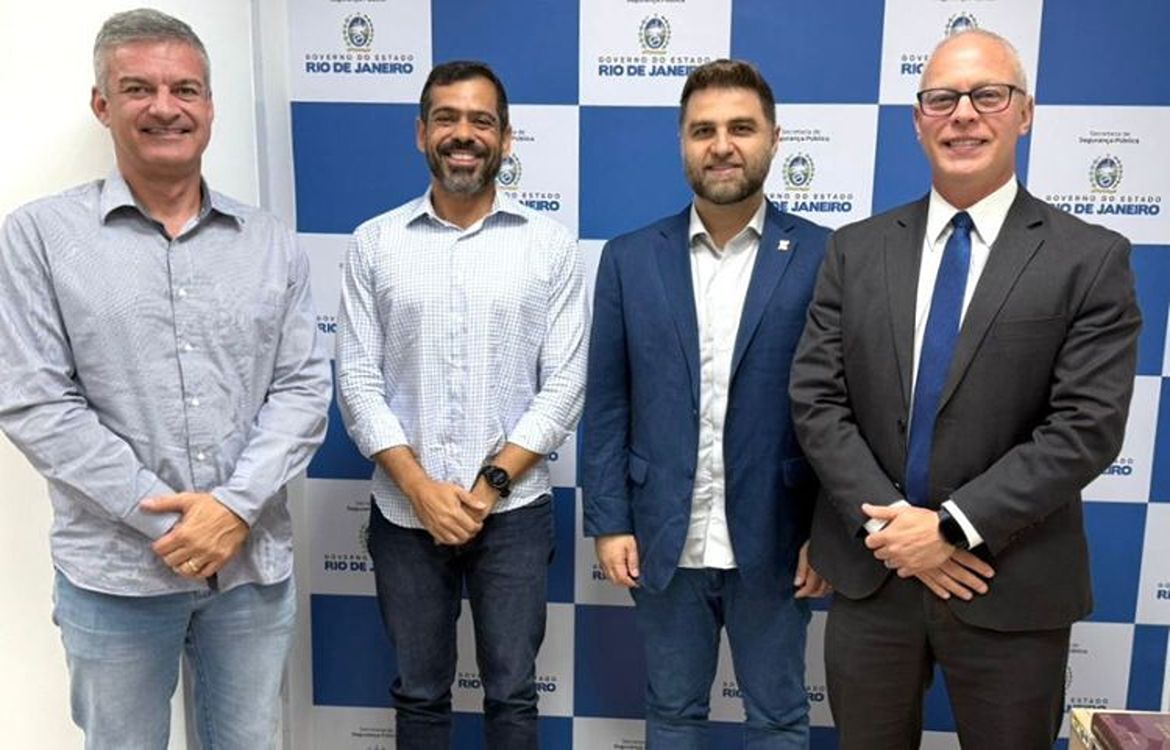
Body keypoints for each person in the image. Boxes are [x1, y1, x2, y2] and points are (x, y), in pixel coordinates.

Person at [789, 29, 1141, 749]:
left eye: (988, 95)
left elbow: (1086, 427)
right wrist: (896, 531)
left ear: (1025, 113)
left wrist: (948, 528)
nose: (964, 115)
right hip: (874, 573)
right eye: (942, 99)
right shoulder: (854, 249)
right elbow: (817, 400)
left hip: (1009, 581)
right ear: (918, 120)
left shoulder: (1089, 258)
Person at [0, 9, 332, 749]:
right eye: (138, 89)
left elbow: (303, 390)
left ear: (209, 105)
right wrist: (175, 527)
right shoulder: (38, 237)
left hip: (248, 572)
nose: (164, 107)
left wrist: (233, 510)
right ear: (102, 104)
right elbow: (35, 401)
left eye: (185, 89)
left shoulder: (270, 243)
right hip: (115, 577)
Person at [335, 60, 588, 749]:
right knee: (419, 695)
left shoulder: (548, 244)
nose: (464, 134)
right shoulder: (375, 242)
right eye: (447, 118)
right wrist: (420, 490)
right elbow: (356, 380)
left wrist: (486, 488)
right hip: (404, 513)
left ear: (505, 138)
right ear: (422, 133)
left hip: (513, 513)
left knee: (512, 695)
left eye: (482, 121)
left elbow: (565, 383)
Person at [583, 59, 830, 749]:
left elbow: (842, 411)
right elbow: (607, 403)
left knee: (779, 717)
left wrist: (829, 531)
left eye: (741, 128)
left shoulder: (825, 256)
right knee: (672, 715)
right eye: (703, 131)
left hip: (780, 539)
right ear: (682, 143)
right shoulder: (630, 258)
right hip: (664, 536)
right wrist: (610, 520)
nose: (722, 145)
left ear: (774, 138)